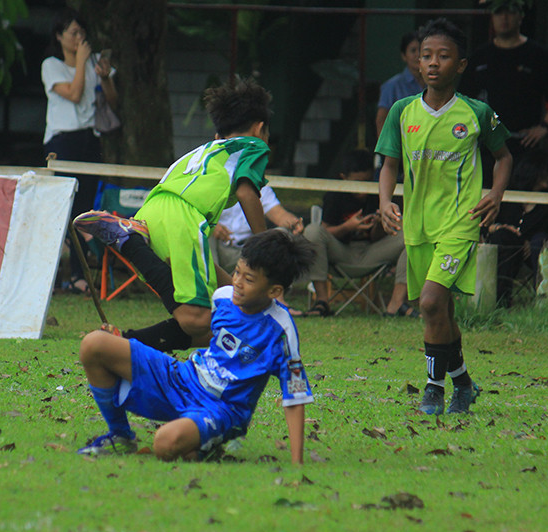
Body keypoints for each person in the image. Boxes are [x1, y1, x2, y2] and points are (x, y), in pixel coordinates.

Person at [75, 76, 302, 352]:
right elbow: (247, 193)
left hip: (152, 212)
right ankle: (129, 243)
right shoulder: (253, 147)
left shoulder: (204, 152)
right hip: (183, 217)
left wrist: (240, 289)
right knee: (198, 320)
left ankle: (125, 341)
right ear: (259, 128)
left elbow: (203, 257)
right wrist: (264, 244)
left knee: (211, 328)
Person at [76, 230, 315, 464]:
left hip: (222, 409)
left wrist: (297, 463)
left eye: (249, 279)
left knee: (164, 444)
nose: (238, 283)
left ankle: (203, 443)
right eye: (237, 272)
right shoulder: (222, 298)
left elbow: (294, 394)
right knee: (93, 344)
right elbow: (209, 339)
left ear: (274, 291)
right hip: (184, 378)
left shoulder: (280, 330)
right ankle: (120, 436)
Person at [376, 18, 513, 415]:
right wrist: (386, 201)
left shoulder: (476, 112)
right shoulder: (402, 112)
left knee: (431, 302)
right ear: (417, 63)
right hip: (418, 227)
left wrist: (496, 194)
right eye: (425, 56)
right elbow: (389, 165)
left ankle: (434, 389)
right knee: (442, 312)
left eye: (443, 55)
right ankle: (465, 385)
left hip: (460, 221)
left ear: (462, 65)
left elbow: (504, 157)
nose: (432, 63)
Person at [42, 8, 117, 296]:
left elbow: (112, 101)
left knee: (83, 211)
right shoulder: (52, 65)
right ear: (59, 36)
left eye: (82, 33)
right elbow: (73, 94)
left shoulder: (94, 61)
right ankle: (55, 274)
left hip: (89, 138)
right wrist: (82, 62)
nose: (78, 38)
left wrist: (105, 76)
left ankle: (78, 275)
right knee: (62, 206)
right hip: (62, 141)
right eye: (73, 33)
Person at [458, 0, 548, 181]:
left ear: (520, 16)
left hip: (523, 144)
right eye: (499, 13)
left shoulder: (537, 55)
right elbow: (464, 99)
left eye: (509, 12)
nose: (504, 18)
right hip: (487, 146)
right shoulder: (480, 56)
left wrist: (545, 125)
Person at [303, 150, 413, 318]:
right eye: (357, 182)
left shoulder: (377, 194)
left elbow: (376, 238)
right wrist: (348, 226)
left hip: (371, 252)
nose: (362, 188)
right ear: (344, 178)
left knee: (411, 234)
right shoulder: (334, 194)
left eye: (366, 181)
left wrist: (379, 225)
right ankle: (322, 301)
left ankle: (396, 304)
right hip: (341, 252)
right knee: (312, 230)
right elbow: (325, 231)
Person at [482, 150, 548, 307]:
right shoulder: (506, 197)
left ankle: (544, 301)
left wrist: (530, 243)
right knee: (503, 236)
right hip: (504, 247)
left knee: (539, 241)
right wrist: (496, 227)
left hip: (532, 253)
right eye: (546, 171)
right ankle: (498, 300)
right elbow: (484, 226)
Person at [209, 184, 302, 275]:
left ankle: (270, 284)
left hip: (251, 249)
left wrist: (294, 222)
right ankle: (209, 282)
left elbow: (279, 214)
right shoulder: (212, 180)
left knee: (283, 235)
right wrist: (211, 225)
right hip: (219, 250)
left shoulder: (258, 184)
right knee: (205, 232)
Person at [375, 31, 425, 139]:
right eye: (413, 50)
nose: (418, 55)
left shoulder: (433, 84)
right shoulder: (392, 85)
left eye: (422, 50)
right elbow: (381, 120)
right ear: (404, 56)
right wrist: (386, 151)